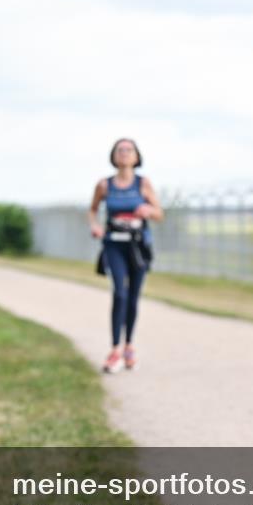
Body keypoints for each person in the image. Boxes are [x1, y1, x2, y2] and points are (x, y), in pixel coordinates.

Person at [88, 138, 164, 373]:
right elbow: (92, 210)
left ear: (136, 156)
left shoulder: (143, 183)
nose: (124, 153)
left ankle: (129, 345)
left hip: (138, 246)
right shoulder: (104, 185)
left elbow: (159, 213)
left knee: (133, 297)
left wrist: (148, 210)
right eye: (120, 150)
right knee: (119, 293)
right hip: (113, 244)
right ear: (113, 155)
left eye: (128, 150)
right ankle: (114, 350)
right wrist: (96, 226)